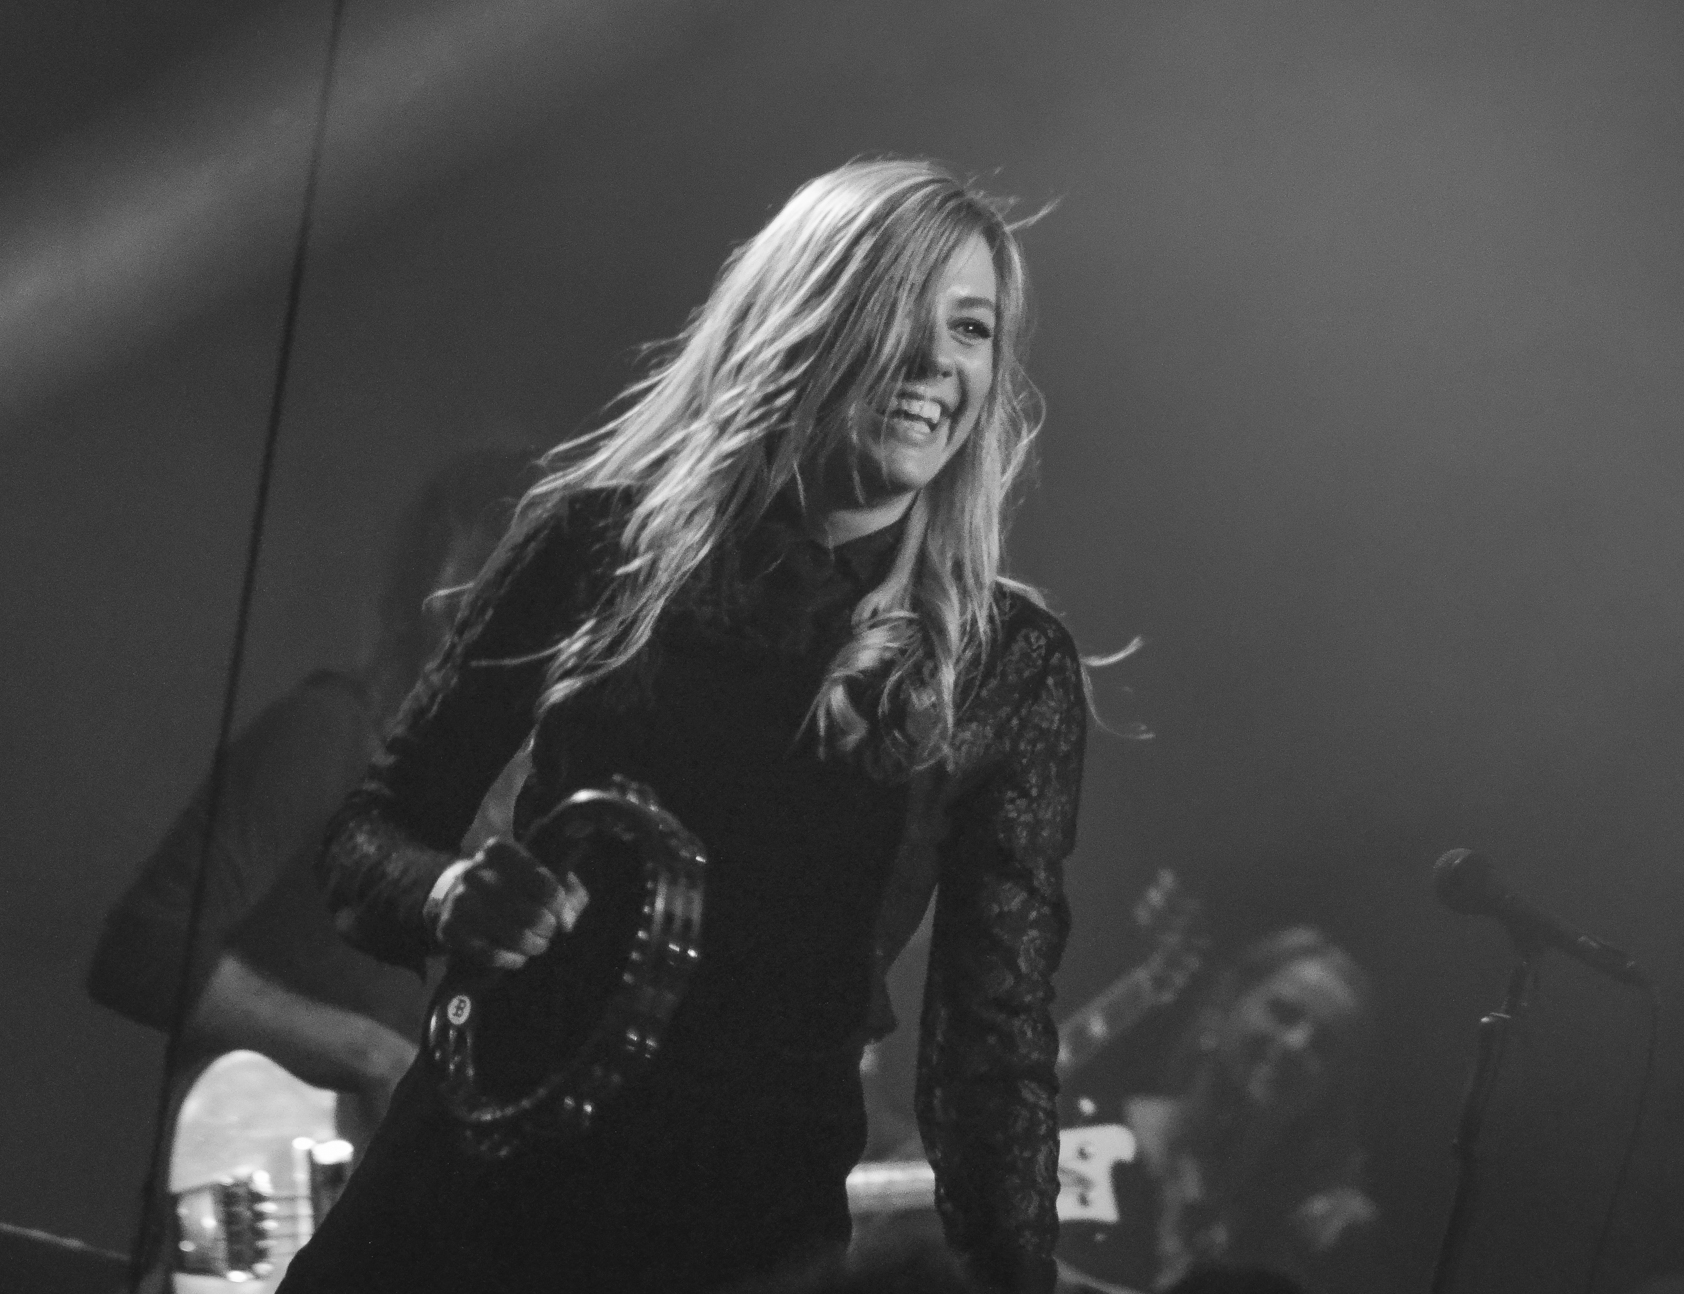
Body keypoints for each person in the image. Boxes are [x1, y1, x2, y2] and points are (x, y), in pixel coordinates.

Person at [278, 158, 1088, 1294]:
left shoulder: (1009, 662)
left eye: (971, 329)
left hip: (739, 1242)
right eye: (895, 310)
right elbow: (369, 838)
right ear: (801, 321)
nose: (934, 362)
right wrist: (450, 894)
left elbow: (991, 1043)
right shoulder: (595, 545)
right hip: (470, 1186)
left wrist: (1013, 1278)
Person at [86, 446, 538, 1283]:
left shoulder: (528, 813)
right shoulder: (330, 733)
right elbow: (143, 950)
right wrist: (368, 1054)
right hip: (257, 1209)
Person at [1122, 928, 1385, 1294]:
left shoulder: (1300, 1231)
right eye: (1283, 1012)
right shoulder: (1110, 1137)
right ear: (1226, 1003)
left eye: (1323, 1044)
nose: (1296, 1043)